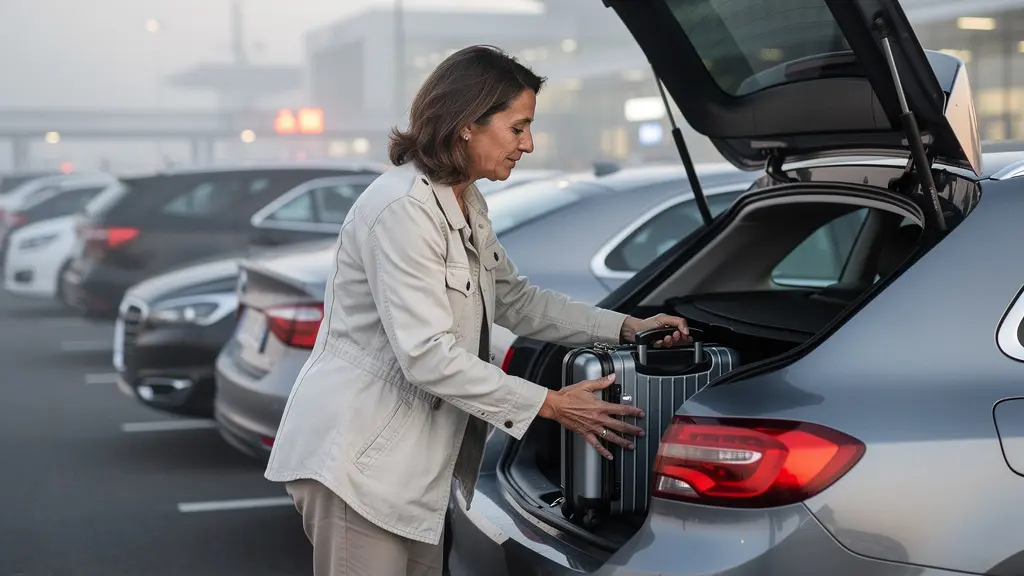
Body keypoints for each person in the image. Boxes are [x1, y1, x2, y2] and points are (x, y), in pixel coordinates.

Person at [264, 45, 693, 576]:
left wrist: (627, 328)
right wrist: (552, 405)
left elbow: (514, 297)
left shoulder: (465, 199)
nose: (529, 144)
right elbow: (426, 355)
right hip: (358, 465)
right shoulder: (402, 209)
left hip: (409, 471)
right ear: (467, 123)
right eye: (518, 128)